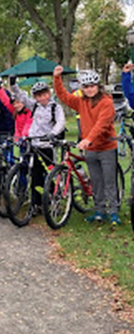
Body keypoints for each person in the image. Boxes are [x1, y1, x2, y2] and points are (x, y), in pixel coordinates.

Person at [53, 66, 119, 225]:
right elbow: (63, 96)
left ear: (98, 86)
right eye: (86, 87)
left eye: (92, 86)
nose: (89, 90)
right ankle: (100, 211)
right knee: (96, 181)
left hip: (106, 147)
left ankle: (114, 213)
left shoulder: (106, 102)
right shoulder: (81, 102)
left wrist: (88, 138)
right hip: (90, 149)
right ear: (82, 88)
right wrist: (56, 78)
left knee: (109, 181)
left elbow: (102, 125)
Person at [9, 80, 66, 213]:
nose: (41, 98)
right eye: (38, 96)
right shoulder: (34, 106)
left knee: (50, 174)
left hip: (47, 145)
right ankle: (36, 203)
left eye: (44, 95)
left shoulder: (55, 107)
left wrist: (53, 133)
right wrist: (13, 85)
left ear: (49, 94)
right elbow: (21, 96)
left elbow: (60, 122)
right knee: (35, 175)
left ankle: (55, 200)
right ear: (35, 97)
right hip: (34, 144)